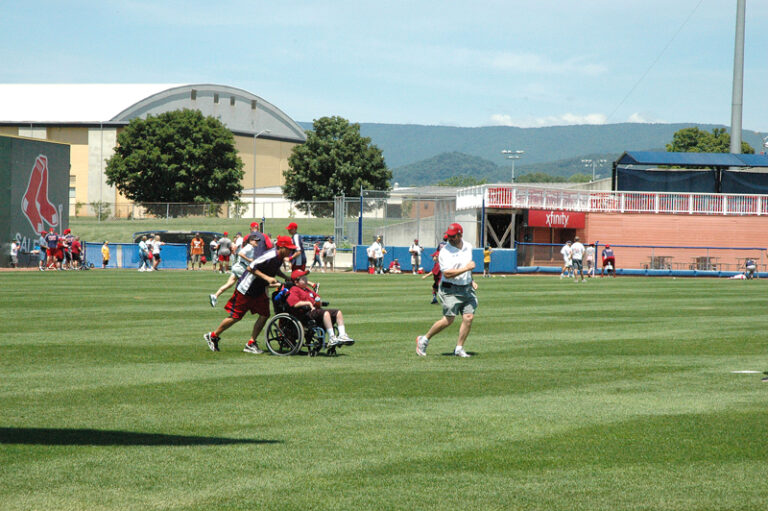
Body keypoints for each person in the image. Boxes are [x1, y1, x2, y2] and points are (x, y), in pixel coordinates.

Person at [203, 235, 296, 354]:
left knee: (264, 314)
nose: (290, 251)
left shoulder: (279, 258)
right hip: (247, 289)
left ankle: (251, 343)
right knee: (236, 316)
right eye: (289, 248)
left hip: (259, 289)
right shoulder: (270, 255)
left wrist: (285, 277)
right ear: (282, 247)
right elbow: (251, 267)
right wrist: (267, 278)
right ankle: (213, 335)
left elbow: (274, 269)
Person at [416, 223, 477, 358]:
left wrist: (471, 279)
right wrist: (467, 269)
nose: (450, 239)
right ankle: (424, 339)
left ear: (460, 235)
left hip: (466, 287)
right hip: (450, 288)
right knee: (449, 319)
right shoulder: (445, 252)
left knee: (468, 317)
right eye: (448, 236)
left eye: (453, 236)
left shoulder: (468, 246)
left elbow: (466, 265)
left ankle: (459, 348)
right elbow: (448, 273)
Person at [286, 269, 355, 348]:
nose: (306, 280)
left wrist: (319, 302)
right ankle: (332, 337)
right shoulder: (294, 290)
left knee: (338, 312)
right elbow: (294, 304)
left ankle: (342, 335)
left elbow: (316, 298)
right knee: (325, 314)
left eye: (306, 278)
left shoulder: (307, 290)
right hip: (305, 313)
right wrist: (308, 303)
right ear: (296, 282)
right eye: (303, 279)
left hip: (315, 311)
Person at [209, 231, 269, 307]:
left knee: (229, 284)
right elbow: (240, 253)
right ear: (251, 241)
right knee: (250, 284)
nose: (257, 242)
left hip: (238, 267)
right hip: (242, 268)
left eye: (258, 241)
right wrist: (249, 260)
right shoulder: (249, 247)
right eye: (255, 240)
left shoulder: (252, 247)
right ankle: (249, 303)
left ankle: (215, 296)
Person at [422, 234, 448, 304]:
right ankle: (435, 299)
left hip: (441, 281)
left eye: (434, 256)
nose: (433, 258)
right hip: (440, 279)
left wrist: (425, 276)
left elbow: (433, 272)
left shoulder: (438, 263)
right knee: (434, 287)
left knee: (440, 289)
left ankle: (443, 301)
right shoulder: (448, 245)